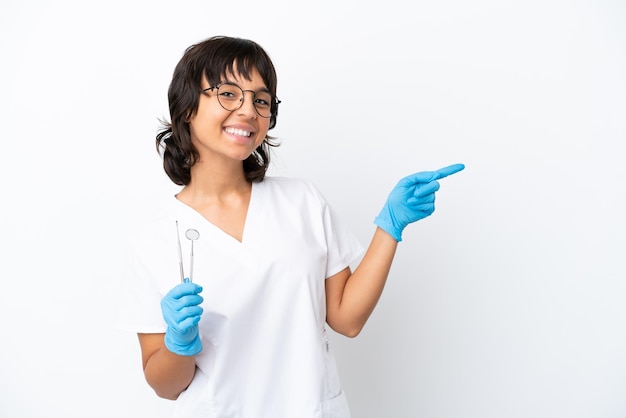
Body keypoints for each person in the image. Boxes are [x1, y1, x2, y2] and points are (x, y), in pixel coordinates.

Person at [116, 35, 464, 418]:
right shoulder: (156, 242)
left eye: (261, 100)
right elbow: (166, 387)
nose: (248, 110)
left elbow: (347, 320)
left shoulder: (302, 202)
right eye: (228, 94)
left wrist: (390, 226)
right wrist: (177, 343)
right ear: (186, 108)